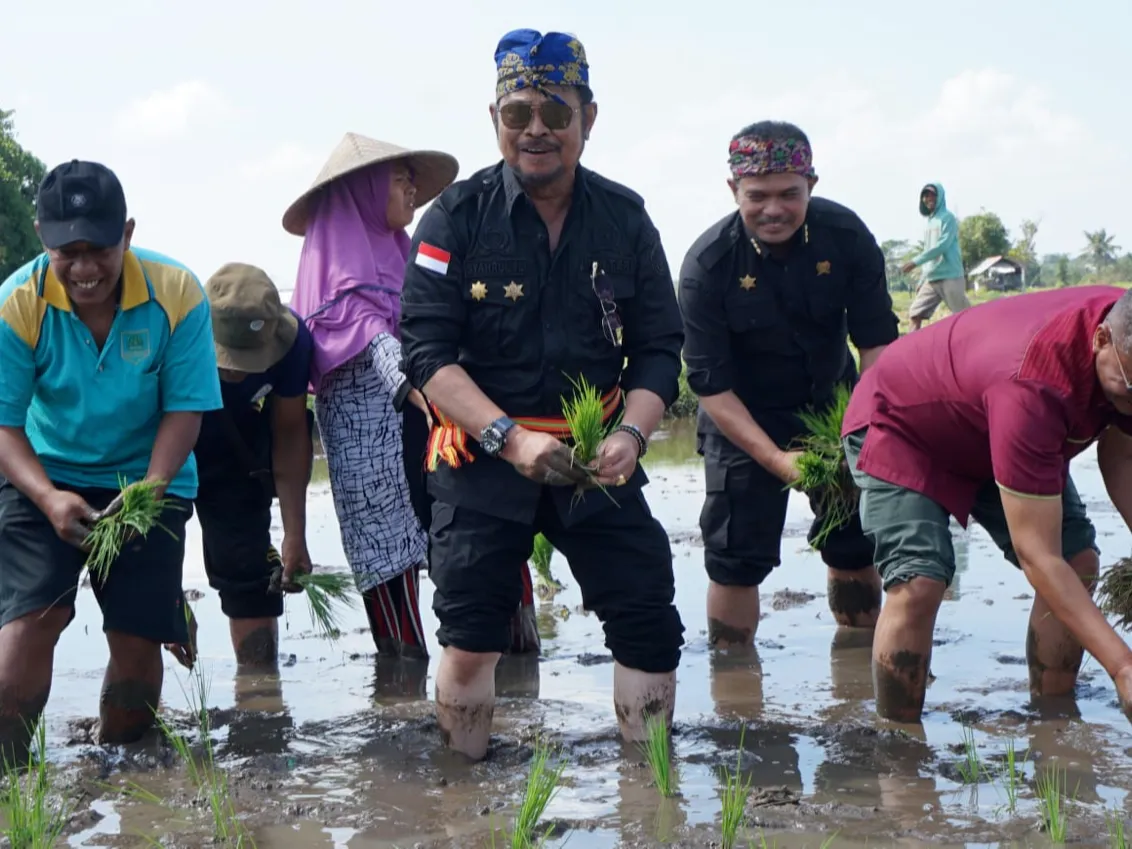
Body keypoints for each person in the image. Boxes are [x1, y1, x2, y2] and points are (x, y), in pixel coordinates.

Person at [400, 28, 686, 761]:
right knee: (468, 632)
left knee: (649, 618)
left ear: (588, 119)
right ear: (493, 119)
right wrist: (510, 438)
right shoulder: (452, 220)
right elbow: (426, 353)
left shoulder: (626, 220)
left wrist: (631, 435)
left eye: (555, 113)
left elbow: (659, 348)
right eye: (516, 112)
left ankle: (648, 790)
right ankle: (463, 796)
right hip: (482, 451)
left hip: (598, 457)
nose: (535, 130)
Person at [285, 134, 541, 665]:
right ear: (361, 192)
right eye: (397, 179)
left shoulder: (413, 258)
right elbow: (378, 345)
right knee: (389, 562)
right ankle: (403, 689)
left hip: (434, 433)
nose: (410, 189)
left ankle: (516, 676)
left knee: (483, 539)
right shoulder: (339, 281)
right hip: (374, 453)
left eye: (409, 178)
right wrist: (420, 386)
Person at [0, 160, 222, 759]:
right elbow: (4, 425)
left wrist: (150, 488)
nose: (84, 268)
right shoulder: (17, 303)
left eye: (98, 248)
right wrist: (47, 498)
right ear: (44, 240)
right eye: (66, 253)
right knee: (24, 633)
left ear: (126, 233)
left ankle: (121, 769)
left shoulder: (177, 293)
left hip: (148, 476)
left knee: (134, 647)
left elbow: (185, 410)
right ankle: (10, 782)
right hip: (43, 475)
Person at [841, 285, 1132, 724]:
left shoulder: (1124, 327)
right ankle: (898, 743)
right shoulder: (1035, 384)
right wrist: (1123, 665)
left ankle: (1054, 720)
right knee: (920, 579)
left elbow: (1123, 457)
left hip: (991, 420)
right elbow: (1038, 556)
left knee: (1078, 560)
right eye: (1130, 391)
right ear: (1101, 340)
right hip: (904, 424)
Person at [678, 121, 899, 649]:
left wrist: (863, 427)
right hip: (741, 419)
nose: (772, 209)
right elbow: (710, 387)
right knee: (735, 559)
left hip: (835, 408)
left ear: (811, 185)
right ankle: (733, 681)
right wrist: (778, 461)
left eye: (788, 195)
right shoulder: (707, 266)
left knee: (853, 543)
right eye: (757, 196)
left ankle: (856, 662)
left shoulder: (845, 238)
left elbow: (876, 346)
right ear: (734, 190)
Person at [190, 261, 315, 669]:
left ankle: (260, 694)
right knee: (141, 590)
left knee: (251, 579)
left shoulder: (293, 344)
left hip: (236, 459)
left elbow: (291, 433)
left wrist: (295, 534)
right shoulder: (174, 337)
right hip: (166, 447)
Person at [901, 182, 970, 330]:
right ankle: (911, 350)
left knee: (964, 317)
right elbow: (928, 250)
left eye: (932, 194)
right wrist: (922, 279)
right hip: (932, 278)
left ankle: (977, 344)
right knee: (915, 314)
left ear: (940, 197)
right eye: (925, 195)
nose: (928, 198)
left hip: (950, 276)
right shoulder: (929, 222)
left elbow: (941, 246)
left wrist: (915, 261)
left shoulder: (948, 218)